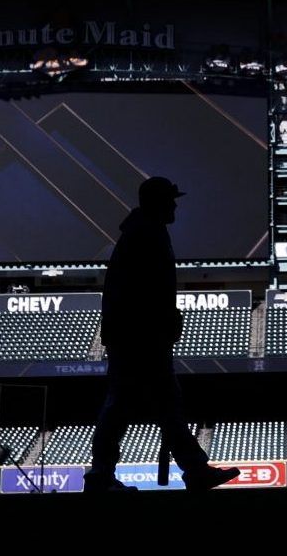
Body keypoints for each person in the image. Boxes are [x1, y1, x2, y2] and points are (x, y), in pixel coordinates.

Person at [85, 176, 240, 494]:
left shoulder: (144, 231)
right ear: (157, 202)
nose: (175, 206)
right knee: (124, 406)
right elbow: (143, 294)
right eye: (170, 200)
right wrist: (164, 324)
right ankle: (101, 477)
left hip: (139, 337)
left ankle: (193, 469)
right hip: (139, 339)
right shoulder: (145, 234)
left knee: (163, 405)